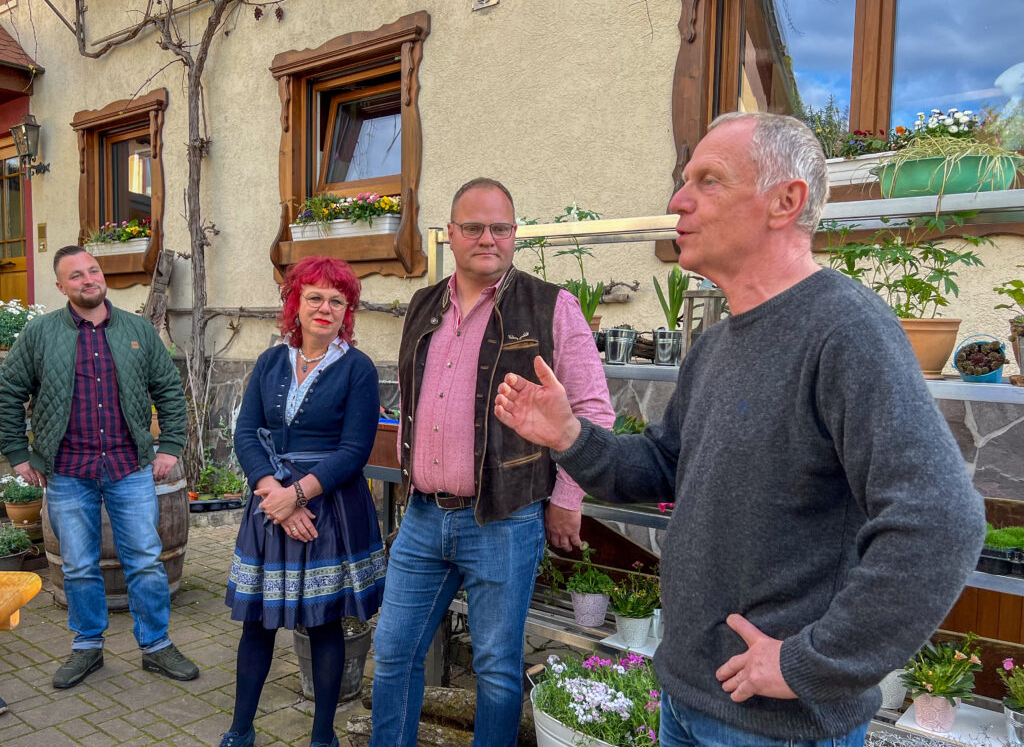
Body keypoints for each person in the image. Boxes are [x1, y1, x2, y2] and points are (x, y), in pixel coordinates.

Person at [493, 113, 987, 747]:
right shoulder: (716, 344)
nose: (678, 199)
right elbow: (662, 468)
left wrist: (814, 662)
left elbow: (941, 520)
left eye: (710, 180)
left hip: (777, 729)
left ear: (786, 201)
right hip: (687, 699)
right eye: (684, 180)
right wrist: (570, 436)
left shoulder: (844, 330)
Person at [369, 178, 615, 747]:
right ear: (451, 234)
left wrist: (567, 499)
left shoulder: (551, 306)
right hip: (424, 517)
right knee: (393, 654)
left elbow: (591, 409)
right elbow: (412, 400)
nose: (488, 238)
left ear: (514, 234)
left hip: (505, 519)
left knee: (499, 671)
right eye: (473, 227)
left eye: (500, 228)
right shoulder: (423, 304)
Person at [0, 245, 197, 689]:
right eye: (76, 276)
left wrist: (169, 446)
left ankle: (157, 646)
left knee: (145, 561)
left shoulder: (136, 330)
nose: (88, 280)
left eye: (93, 270)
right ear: (60, 286)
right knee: (79, 565)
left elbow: (168, 388)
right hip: (67, 470)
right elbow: (8, 391)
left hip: (129, 467)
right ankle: (87, 647)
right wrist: (18, 452)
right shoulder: (41, 333)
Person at [220, 256, 386, 747]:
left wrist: (297, 496)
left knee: (324, 622)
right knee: (257, 621)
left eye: (337, 300)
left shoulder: (357, 368)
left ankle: (322, 738)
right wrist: (272, 491)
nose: (325, 307)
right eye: (315, 296)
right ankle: (240, 730)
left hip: (327, 508)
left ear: (346, 312)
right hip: (271, 503)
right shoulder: (271, 360)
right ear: (295, 303)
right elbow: (247, 431)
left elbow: (355, 450)